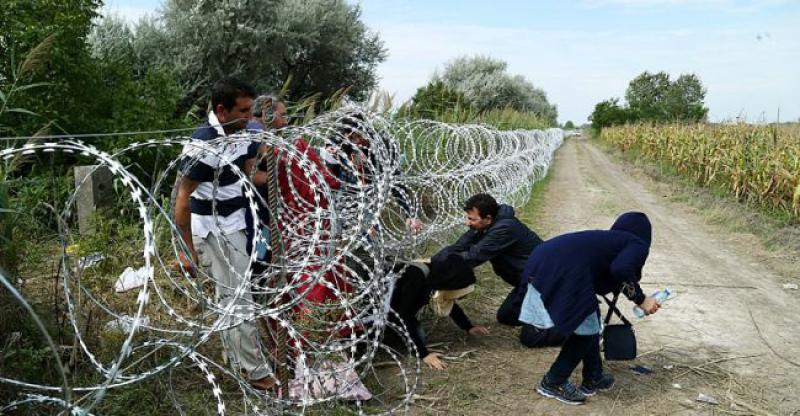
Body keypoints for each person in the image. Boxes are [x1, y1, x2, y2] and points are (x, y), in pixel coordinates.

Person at [173, 78, 274, 391]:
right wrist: (186, 250)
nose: (249, 116)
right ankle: (256, 373)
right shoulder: (202, 144)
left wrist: (281, 160)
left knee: (232, 297)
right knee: (239, 299)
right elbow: (181, 197)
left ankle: (236, 361)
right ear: (222, 109)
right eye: (243, 110)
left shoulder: (240, 132)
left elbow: (249, 170)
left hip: (238, 222)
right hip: (213, 230)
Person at [519, 212, 661, 405]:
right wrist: (641, 299)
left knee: (590, 317)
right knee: (586, 330)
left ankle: (593, 377)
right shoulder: (637, 243)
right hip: (561, 271)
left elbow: (605, 279)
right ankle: (553, 381)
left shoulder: (611, 241)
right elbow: (620, 269)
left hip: (541, 260)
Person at [436, 194, 564, 347]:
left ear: (488, 218)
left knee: (531, 339)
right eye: (468, 218)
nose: (467, 223)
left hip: (544, 282)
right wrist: (435, 261)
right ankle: (548, 310)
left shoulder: (504, 229)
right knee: (507, 316)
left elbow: (473, 256)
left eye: (472, 219)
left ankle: (570, 324)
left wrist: (439, 265)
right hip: (526, 283)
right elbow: (460, 247)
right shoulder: (488, 226)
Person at [389, 253, 489, 370]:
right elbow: (404, 314)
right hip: (387, 312)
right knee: (419, 337)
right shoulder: (416, 275)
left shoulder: (437, 275)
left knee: (418, 335)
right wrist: (423, 354)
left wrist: (468, 327)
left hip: (400, 309)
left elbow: (448, 301)